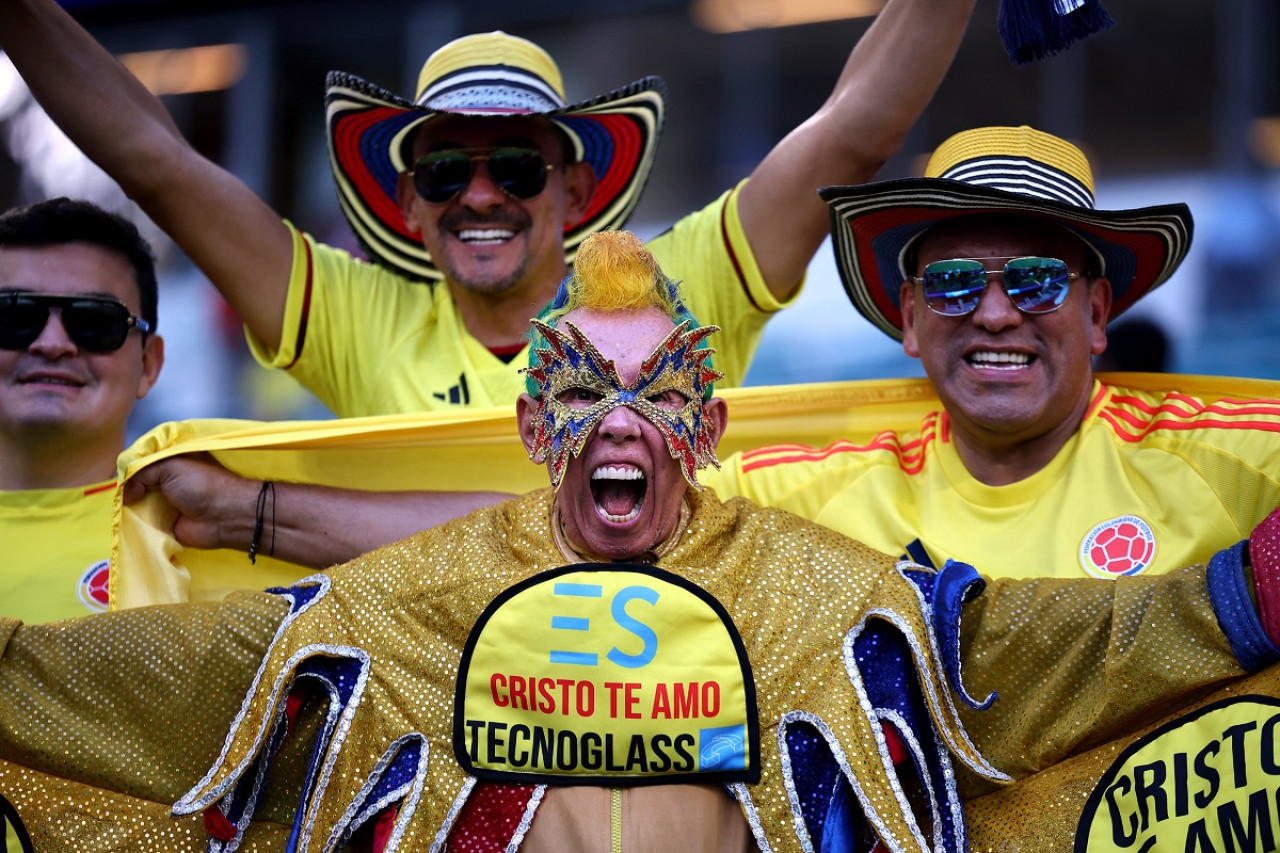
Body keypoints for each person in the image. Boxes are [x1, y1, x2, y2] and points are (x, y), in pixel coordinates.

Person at [4, 230, 1278, 852]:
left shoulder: (814, 581)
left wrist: (1245, 595)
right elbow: (203, 671)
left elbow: (1016, 652)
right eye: (581, 386)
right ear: (530, 420)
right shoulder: (418, 593)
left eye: (654, 389)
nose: (619, 422)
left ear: (706, 424)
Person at [0, 0, 976, 417]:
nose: (478, 195)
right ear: (408, 206)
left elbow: (852, 131)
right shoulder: (354, 318)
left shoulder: (679, 290)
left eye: (514, 167)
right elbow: (156, 161)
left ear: (576, 191)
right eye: (442, 175)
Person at [707, 124, 1280, 580]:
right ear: (911, 319)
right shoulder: (782, 503)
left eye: (1037, 280)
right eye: (954, 283)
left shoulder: (1245, 468)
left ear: (1097, 313)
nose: (997, 314)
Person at [0, 197, 164, 622]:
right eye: (14, 315)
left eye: (95, 321)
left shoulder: (199, 538)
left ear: (148, 364)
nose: (52, 344)